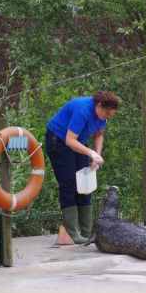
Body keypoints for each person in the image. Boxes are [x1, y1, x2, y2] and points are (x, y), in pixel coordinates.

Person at [45, 91, 120, 244]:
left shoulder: (102, 115)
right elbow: (69, 140)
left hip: (78, 142)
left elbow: (99, 134)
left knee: (85, 182)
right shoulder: (82, 110)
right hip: (59, 141)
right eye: (106, 114)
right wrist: (91, 153)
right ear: (99, 105)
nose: (107, 117)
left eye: (110, 115)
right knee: (69, 183)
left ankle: (87, 232)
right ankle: (73, 233)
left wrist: (96, 156)